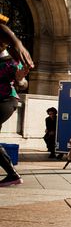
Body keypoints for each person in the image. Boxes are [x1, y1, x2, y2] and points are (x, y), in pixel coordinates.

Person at [0, 15, 32, 187]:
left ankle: (13, 175)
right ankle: (12, 175)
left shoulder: (11, 61)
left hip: (6, 100)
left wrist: (20, 79)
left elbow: (23, 83)